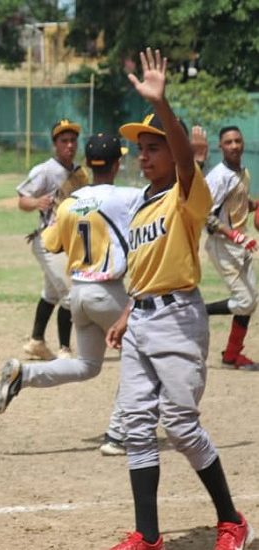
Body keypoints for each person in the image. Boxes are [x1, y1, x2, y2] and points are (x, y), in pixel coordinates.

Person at [106, 48, 253, 550]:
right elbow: (148, 269)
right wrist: (128, 311)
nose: (143, 156)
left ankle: (232, 519)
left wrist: (162, 104)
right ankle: (147, 536)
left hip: (178, 322)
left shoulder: (187, 195)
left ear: (175, 151)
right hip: (143, 320)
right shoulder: (142, 203)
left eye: (153, 147)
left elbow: (185, 158)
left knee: (182, 427)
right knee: (136, 427)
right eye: (140, 149)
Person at [0, 132, 137, 456]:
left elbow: (51, 242)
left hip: (81, 295)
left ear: (89, 162)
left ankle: (23, 374)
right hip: (107, 291)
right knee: (142, 354)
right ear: (117, 164)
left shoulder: (72, 202)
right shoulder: (126, 196)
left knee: (87, 365)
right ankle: (118, 434)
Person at [16, 119, 89, 360]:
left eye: (72, 140)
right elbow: (22, 199)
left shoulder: (78, 172)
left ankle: (36, 341)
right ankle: (65, 349)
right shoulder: (45, 170)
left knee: (52, 294)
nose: (69, 145)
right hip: (48, 241)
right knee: (70, 293)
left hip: (67, 242)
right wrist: (37, 202)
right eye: (63, 141)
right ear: (55, 144)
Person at [202, 126, 257, 369]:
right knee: (244, 301)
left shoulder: (243, 172)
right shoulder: (218, 177)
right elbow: (206, 215)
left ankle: (232, 355)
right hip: (223, 244)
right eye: (228, 142)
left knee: (252, 300)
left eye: (237, 140)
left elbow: (239, 205)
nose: (234, 145)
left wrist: (255, 205)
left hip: (241, 243)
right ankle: (200, 311)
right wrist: (233, 234)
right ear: (220, 147)